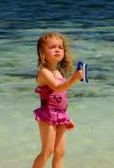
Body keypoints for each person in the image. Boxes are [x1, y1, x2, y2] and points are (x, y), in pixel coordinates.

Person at [32, 32, 83, 168]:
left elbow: (60, 98)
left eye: (60, 47)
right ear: (42, 52)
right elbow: (58, 88)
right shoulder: (44, 72)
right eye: (52, 47)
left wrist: (66, 117)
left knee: (60, 152)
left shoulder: (59, 72)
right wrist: (73, 79)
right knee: (47, 151)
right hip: (47, 114)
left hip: (60, 115)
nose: (57, 50)